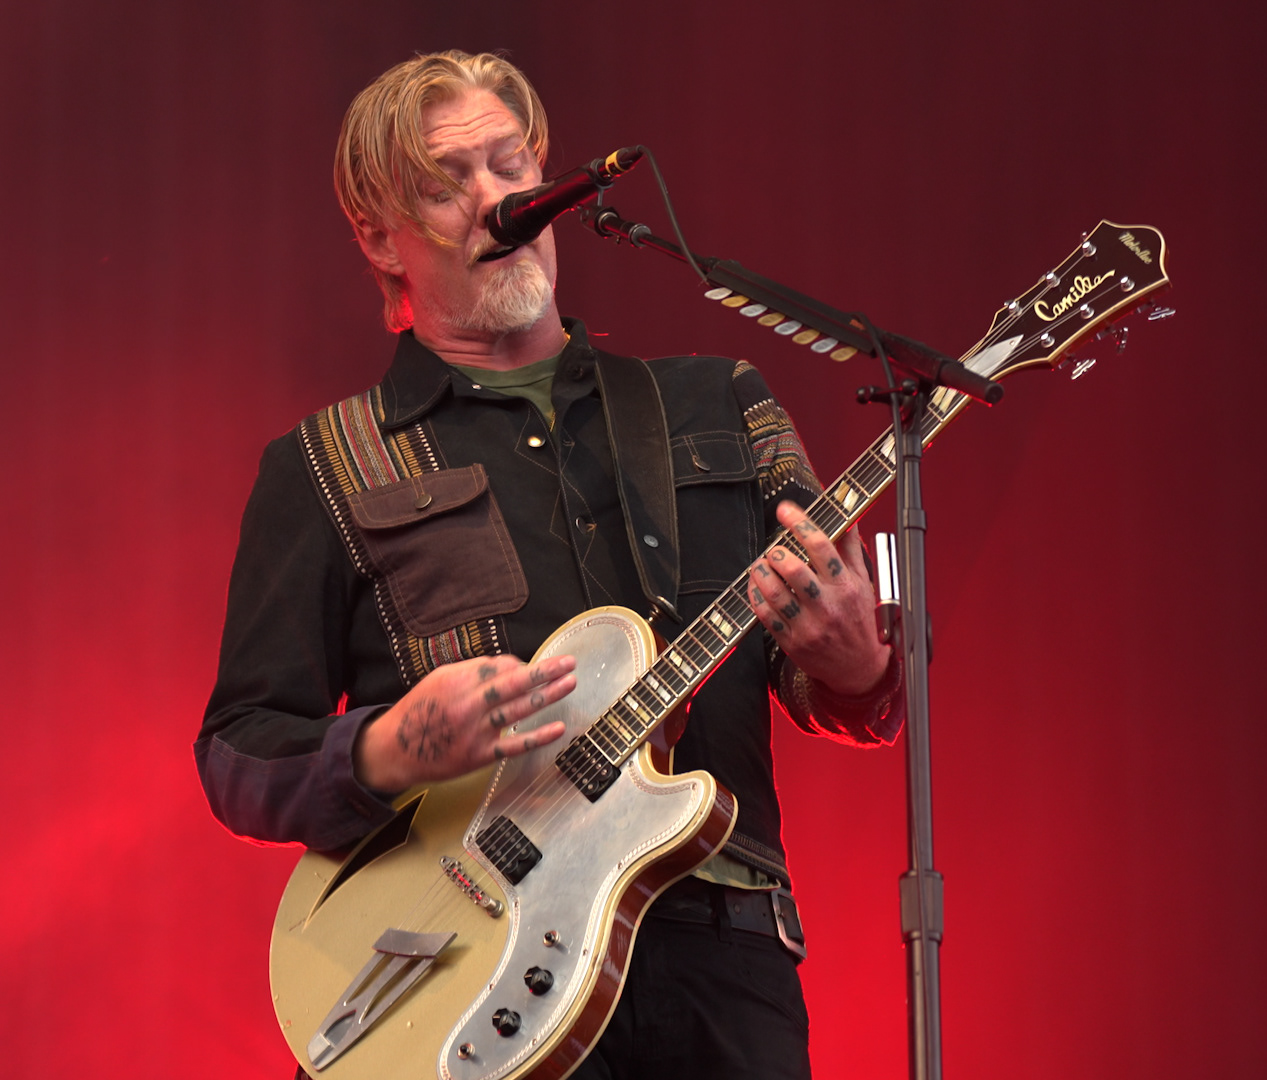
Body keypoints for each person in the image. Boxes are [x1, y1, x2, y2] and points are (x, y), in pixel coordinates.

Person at [196, 49, 902, 1080]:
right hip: (470, 969)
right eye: (446, 183)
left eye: (509, 163)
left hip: (721, 959)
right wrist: (393, 744)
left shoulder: (719, 400)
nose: (495, 200)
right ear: (379, 238)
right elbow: (239, 754)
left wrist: (858, 662)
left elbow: (858, 690)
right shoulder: (324, 465)